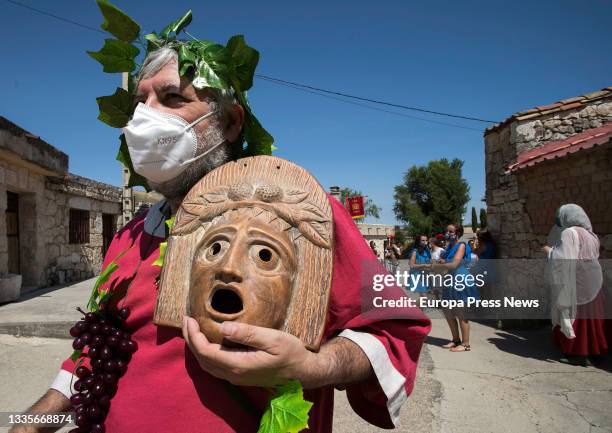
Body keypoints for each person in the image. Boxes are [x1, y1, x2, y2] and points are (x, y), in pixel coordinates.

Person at [12, 12, 430, 433]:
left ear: (229, 122)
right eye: (141, 102)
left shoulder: (299, 212)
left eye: (172, 98)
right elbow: (93, 352)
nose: (144, 118)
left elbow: (396, 329)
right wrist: (31, 423)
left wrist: (315, 366)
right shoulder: (130, 235)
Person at [543, 204, 608, 366]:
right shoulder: (591, 235)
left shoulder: (569, 233)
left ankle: (578, 353)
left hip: (577, 282)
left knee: (576, 317)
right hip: (594, 281)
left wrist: (549, 252)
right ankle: (596, 351)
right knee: (592, 317)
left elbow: (563, 260)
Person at [434, 223, 479, 352]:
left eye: (451, 231)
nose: (448, 233)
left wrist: (441, 264)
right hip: (450, 281)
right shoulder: (449, 247)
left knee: (461, 313)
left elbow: (454, 264)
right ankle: (455, 340)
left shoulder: (462, 245)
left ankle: (465, 344)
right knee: (448, 311)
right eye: (447, 231)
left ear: (458, 233)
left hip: (460, 280)